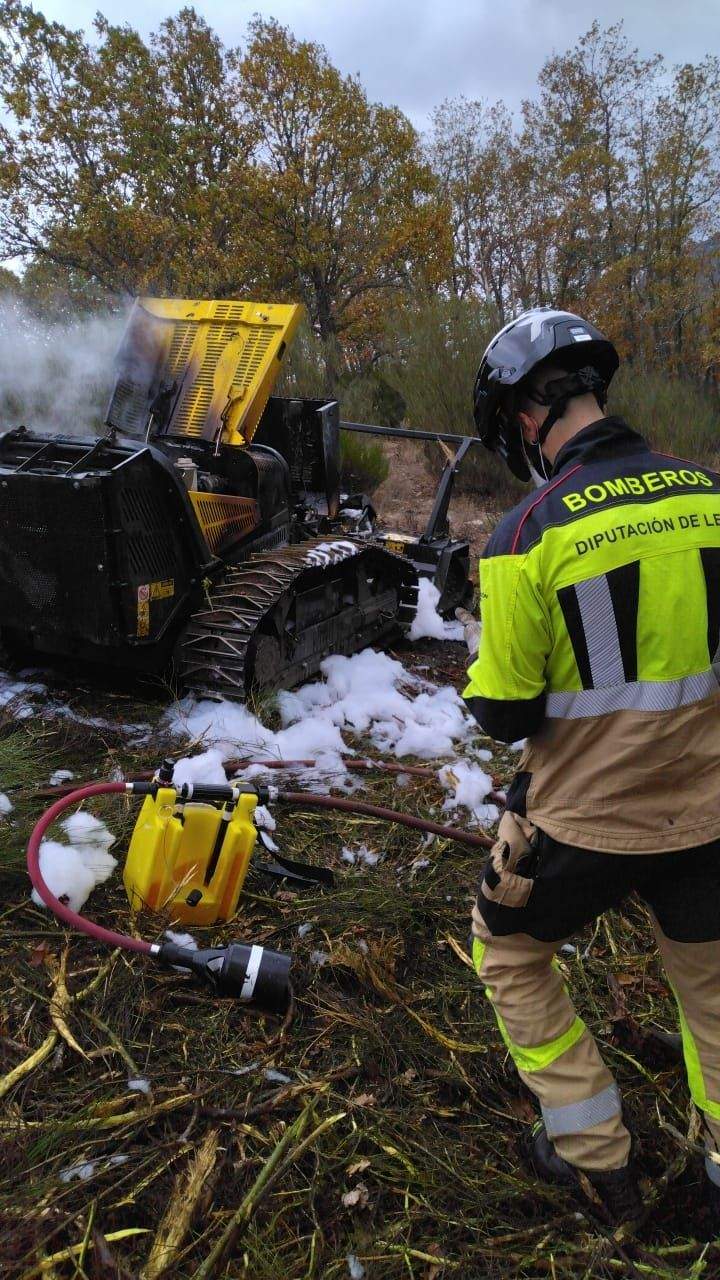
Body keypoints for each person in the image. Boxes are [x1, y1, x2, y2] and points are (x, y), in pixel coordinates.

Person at [463, 305, 720, 1228]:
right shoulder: (710, 496)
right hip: (711, 816)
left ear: (526, 418)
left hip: (582, 827)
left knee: (509, 953)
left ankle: (594, 1156)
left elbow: (503, 714)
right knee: (713, 991)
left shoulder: (524, 533)